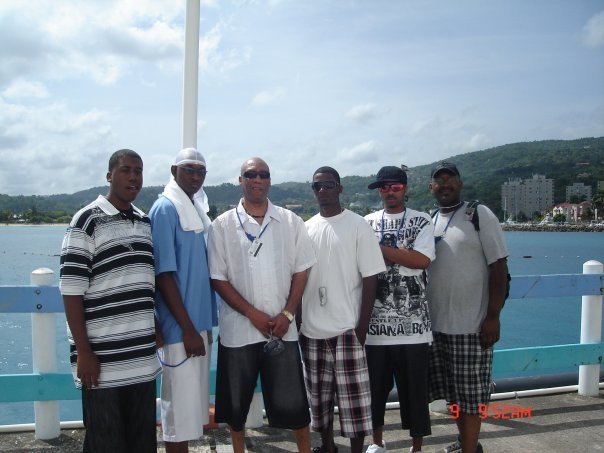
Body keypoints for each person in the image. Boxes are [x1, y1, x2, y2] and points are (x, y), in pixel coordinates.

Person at [207, 157, 315, 453]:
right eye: (250, 174)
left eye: (263, 174)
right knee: (236, 404)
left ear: (270, 180)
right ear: (240, 180)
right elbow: (218, 278)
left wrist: (289, 313)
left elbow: (301, 271)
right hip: (239, 332)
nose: (257, 179)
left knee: (294, 402)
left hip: (283, 330)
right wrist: (252, 313)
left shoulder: (291, 222)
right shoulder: (222, 225)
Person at [59, 149, 161, 453]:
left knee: (142, 443)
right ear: (109, 175)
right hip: (102, 366)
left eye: (139, 171)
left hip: (141, 362)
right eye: (126, 170)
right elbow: (71, 290)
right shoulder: (86, 221)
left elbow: (142, 283)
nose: (133, 177)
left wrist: (153, 323)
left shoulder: (144, 222)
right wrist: (84, 352)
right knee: (105, 443)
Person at [300, 166, 386, 453]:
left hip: (348, 329)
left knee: (354, 404)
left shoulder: (358, 225)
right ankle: (327, 447)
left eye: (328, 184)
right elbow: (298, 279)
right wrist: (299, 324)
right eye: (316, 186)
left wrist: (361, 328)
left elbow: (371, 278)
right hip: (312, 330)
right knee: (319, 401)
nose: (322, 190)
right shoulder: (306, 228)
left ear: (340, 188)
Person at [426, 162, 509, 453]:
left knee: (471, 399)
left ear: (460, 184)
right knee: (453, 396)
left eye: (451, 179)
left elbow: (499, 266)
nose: (445, 184)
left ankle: (470, 450)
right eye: (439, 180)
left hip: (471, 325)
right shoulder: (430, 219)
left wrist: (493, 317)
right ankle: (466, 443)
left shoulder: (479, 214)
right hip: (436, 326)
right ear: (431, 187)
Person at [149, 148, 218, 453]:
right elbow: (164, 275)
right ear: (173, 169)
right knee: (177, 414)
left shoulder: (194, 209)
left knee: (191, 412)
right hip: (181, 330)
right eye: (189, 170)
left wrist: (202, 328)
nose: (195, 177)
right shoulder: (166, 209)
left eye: (200, 171)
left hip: (197, 326)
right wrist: (189, 329)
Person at [363, 166, 436, 453]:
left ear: (405, 188)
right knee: (374, 394)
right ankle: (376, 443)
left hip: (414, 331)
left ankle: (416, 447)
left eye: (395, 186)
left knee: (415, 394)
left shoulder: (421, 221)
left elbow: (421, 260)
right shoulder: (366, 222)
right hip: (375, 330)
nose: (389, 191)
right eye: (384, 187)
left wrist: (378, 248)